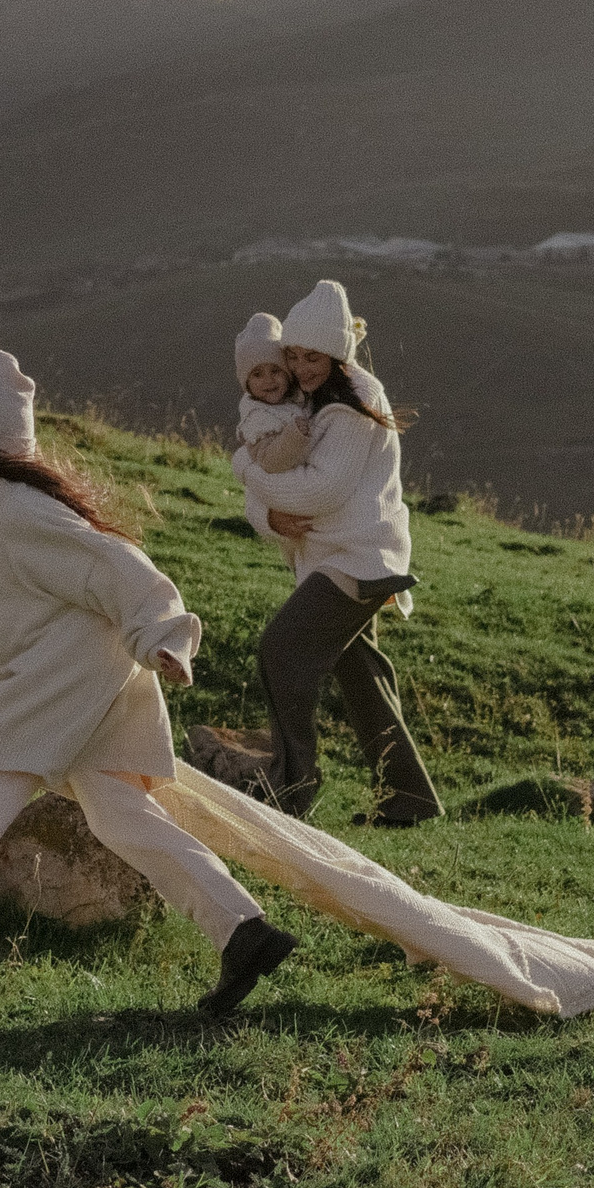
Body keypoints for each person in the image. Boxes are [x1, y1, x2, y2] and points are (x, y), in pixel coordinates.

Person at [0, 347, 297, 1015]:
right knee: (123, 816)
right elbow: (44, 609)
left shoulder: (18, 511)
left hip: (62, 694)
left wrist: (166, 633)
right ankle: (243, 930)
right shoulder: (17, 507)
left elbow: (115, 565)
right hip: (84, 690)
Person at [233, 280, 438, 826]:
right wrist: (264, 513)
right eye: (293, 356)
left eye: (313, 356)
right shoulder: (309, 398)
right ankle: (409, 799)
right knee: (359, 674)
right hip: (336, 555)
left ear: (337, 353)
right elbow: (278, 490)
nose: (301, 367)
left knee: (281, 652)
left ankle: (291, 791)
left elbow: (318, 490)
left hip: (357, 557)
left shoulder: (354, 404)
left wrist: (243, 467)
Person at [234, 310, 312, 477]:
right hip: (274, 497)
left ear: (287, 373)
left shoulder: (295, 398)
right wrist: (293, 436)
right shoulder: (257, 417)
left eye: (275, 371)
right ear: (246, 383)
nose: (268, 380)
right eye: (257, 374)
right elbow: (268, 461)